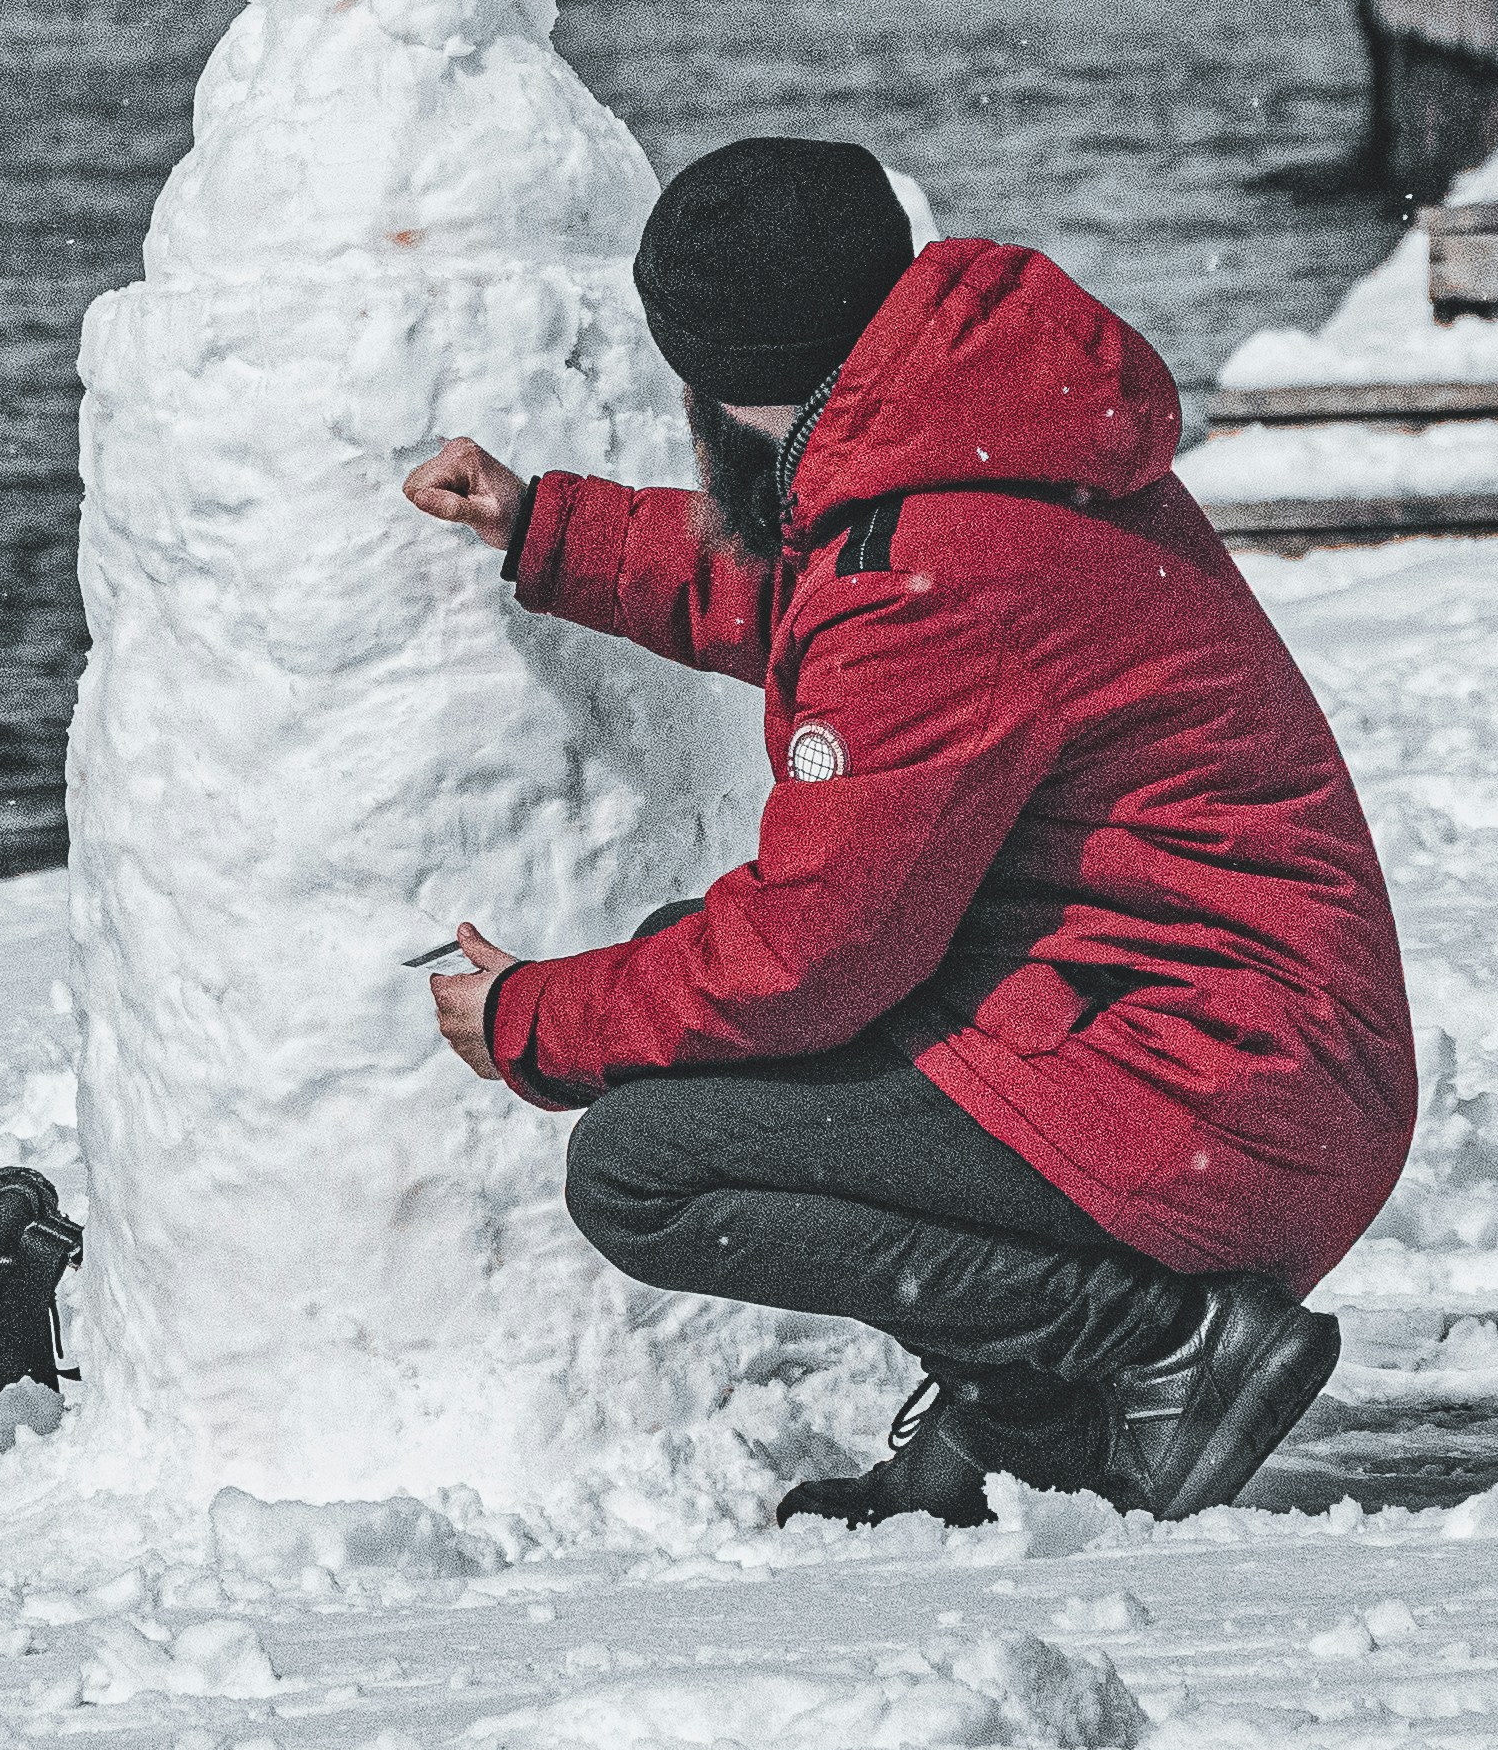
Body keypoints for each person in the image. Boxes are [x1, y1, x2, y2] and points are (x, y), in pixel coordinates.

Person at [398, 138, 1414, 1529]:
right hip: (1223, 1040)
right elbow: (819, 607)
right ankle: (1042, 1407)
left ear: (714, 371)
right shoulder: (964, 421)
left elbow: (814, 951)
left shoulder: (927, 553)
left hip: (1213, 1083)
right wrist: (548, 527)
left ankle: (1153, 1345)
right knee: (679, 1000)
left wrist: (530, 1018)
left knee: (645, 1159)